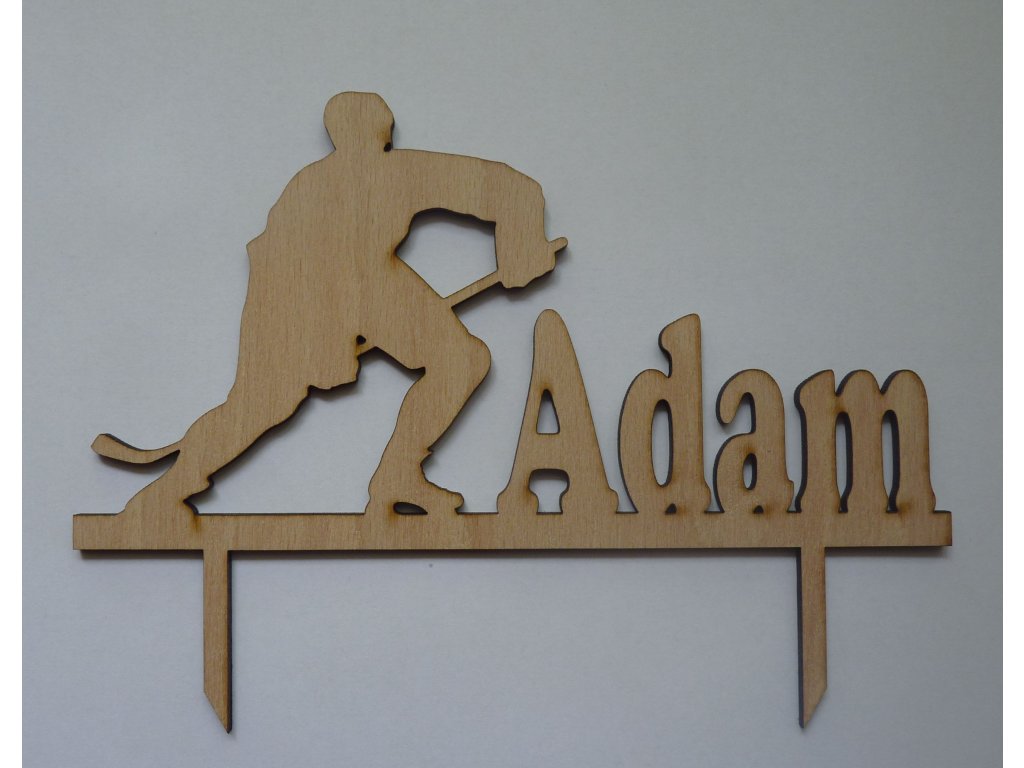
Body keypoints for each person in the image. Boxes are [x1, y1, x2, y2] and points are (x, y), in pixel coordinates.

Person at [93, 92, 565, 519]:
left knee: (457, 361)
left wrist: (519, 249)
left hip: (347, 285)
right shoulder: (375, 175)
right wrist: (521, 251)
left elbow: (506, 189)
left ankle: (398, 475)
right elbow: (510, 188)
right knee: (265, 404)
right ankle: (164, 496)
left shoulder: (332, 179)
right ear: (380, 132)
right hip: (315, 291)